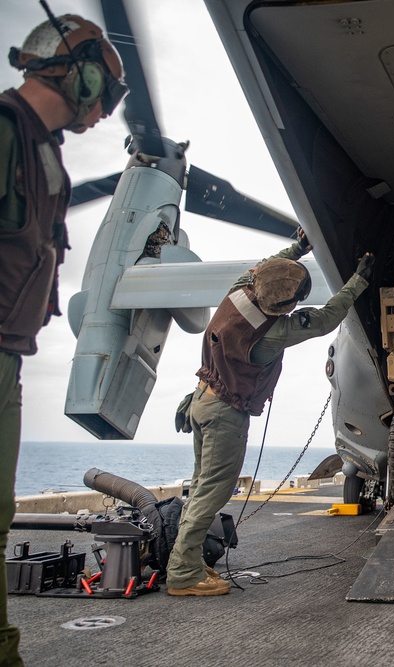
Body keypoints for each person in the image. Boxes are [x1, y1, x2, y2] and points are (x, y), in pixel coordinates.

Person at [0, 14, 126, 666]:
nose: (105, 108)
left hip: (9, 352)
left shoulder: (41, 151)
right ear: (78, 73)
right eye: (104, 88)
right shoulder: (5, 132)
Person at [165, 231, 374, 596]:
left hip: (201, 400)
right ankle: (183, 574)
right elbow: (325, 319)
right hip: (224, 413)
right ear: (285, 305)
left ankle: (189, 561)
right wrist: (360, 279)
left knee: (200, 487)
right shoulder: (271, 332)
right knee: (211, 494)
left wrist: (299, 246)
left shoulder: (240, 290)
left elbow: (267, 265)